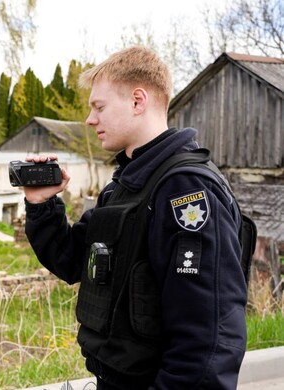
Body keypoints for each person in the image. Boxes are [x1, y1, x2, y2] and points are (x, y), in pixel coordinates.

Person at [22, 46, 247, 389]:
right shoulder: (126, 185)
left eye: (99, 107)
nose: (89, 119)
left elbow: (208, 336)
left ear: (138, 101)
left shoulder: (186, 189)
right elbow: (71, 261)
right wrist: (42, 205)